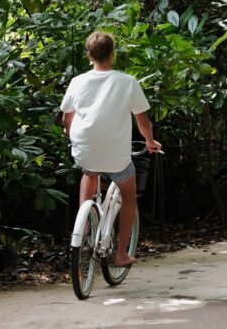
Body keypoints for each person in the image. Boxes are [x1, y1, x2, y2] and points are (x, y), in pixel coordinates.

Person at [61, 30, 162, 266]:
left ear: (89, 55)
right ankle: (121, 254)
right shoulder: (127, 82)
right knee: (129, 195)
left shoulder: (77, 82)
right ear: (112, 54)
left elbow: (67, 119)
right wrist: (150, 141)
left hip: (85, 151)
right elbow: (142, 122)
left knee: (89, 171)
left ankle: (84, 226)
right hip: (116, 157)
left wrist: (69, 134)